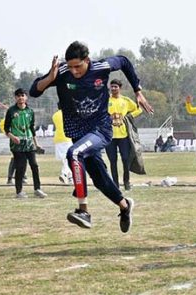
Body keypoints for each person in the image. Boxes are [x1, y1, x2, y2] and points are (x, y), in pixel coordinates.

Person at [30, 41, 152, 233]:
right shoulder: (62, 72)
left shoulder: (101, 67)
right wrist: (50, 78)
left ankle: (83, 211)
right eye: (70, 66)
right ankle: (125, 206)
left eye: (78, 66)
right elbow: (34, 91)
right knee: (99, 178)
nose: (74, 71)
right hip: (78, 133)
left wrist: (138, 91)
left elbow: (124, 61)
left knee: (74, 154)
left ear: (87, 60)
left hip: (100, 129)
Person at [4, 88, 46, 199]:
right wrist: (13, 138)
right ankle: (19, 191)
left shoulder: (30, 111)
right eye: (18, 96)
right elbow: (6, 129)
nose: (20, 98)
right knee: (21, 167)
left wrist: (36, 144)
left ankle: (37, 189)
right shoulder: (11, 111)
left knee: (34, 165)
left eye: (22, 95)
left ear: (26, 97)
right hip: (17, 145)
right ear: (15, 98)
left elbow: (32, 129)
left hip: (29, 143)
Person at [106, 78, 143, 190]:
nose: (113, 88)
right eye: (112, 86)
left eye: (115, 87)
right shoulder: (106, 100)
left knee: (125, 159)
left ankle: (126, 182)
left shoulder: (125, 100)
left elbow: (139, 109)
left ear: (120, 88)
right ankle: (115, 184)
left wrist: (129, 116)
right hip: (110, 136)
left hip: (123, 135)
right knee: (112, 161)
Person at [52, 104, 73, 184]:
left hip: (58, 138)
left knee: (65, 159)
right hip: (67, 137)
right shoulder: (69, 113)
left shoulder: (54, 115)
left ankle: (70, 177)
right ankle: (64, 174)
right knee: (69, 158)